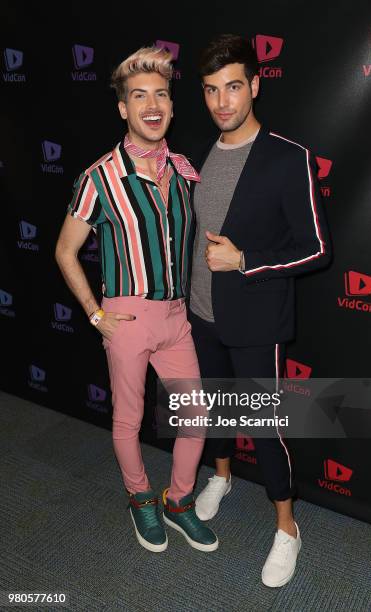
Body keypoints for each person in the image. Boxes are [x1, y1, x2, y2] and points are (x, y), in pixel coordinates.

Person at [55, 46, 218, 553]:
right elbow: (64, 251)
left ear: (170, 105)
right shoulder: (99, 177)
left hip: (176, 318)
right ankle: (141, 498)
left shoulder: (184, 169)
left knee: (196, 417)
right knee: (128, 417)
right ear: (123, 108)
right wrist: (96, 314)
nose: (152, 104)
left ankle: (179, 501)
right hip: (126, 317)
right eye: (139, 95)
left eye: (162, 94)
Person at [189, 34, 331, 585]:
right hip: (201, 314)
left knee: (264, 425)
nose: (222, 102)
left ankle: (287, 526)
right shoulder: (198, 151)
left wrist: (246, 260)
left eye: (232, 87)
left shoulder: (286, 157)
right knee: (219, 409)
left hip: (255, 319)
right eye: (210, 90)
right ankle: (220, 476)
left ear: (255, 85)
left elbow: (317, 248)